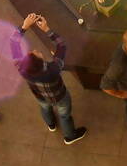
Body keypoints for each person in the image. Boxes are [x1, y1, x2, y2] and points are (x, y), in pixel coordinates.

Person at [8, 13, 85, 143]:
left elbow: (13, 42)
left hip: (40, 96)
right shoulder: (54, 69)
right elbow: (62, 46)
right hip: (60, 97)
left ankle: (51, 124)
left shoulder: (22, 68)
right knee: (65, 116)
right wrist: (47, 29)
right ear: (41, 61)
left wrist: (24, 26)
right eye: (36, 53)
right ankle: (70, 136)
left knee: (45, 108)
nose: (35, 50)